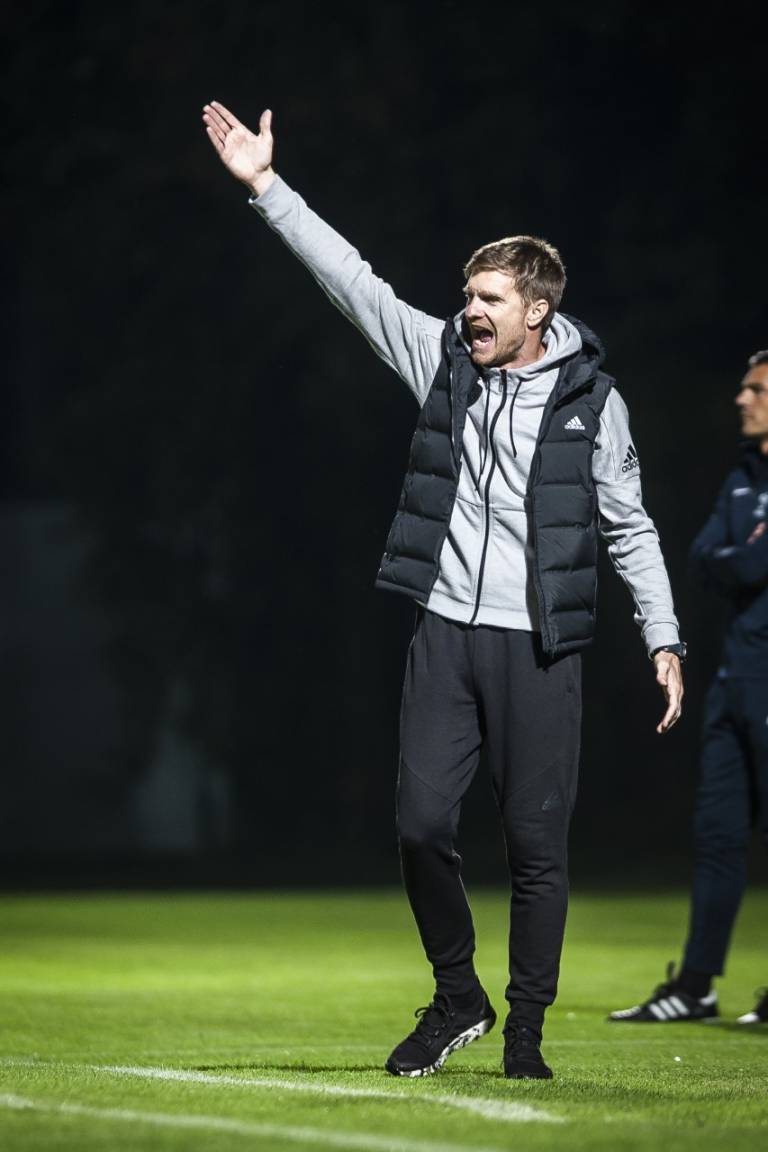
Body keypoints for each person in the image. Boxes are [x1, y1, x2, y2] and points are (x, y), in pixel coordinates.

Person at [202, 102, 685, 1079]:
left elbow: (630, 526)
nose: (470, 310)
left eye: (490, 298)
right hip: (444, 638)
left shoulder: (594, 403)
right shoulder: (440, 361)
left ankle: (527, 1035)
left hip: (539, 649)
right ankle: (458, 995)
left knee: (536, 850)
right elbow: (353, 282)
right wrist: (266, 187)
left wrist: (664, 638)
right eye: (467, 294)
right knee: (420, 828)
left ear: (537, 311)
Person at [609, 350, 768, 1027]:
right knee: (718, 834)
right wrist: (745, 556)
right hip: (735, 677)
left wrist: (743, 557)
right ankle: (696, 986)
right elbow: (706, 557)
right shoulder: (743, 477)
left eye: (756, 389)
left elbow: (747, 562)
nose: (741, 399)